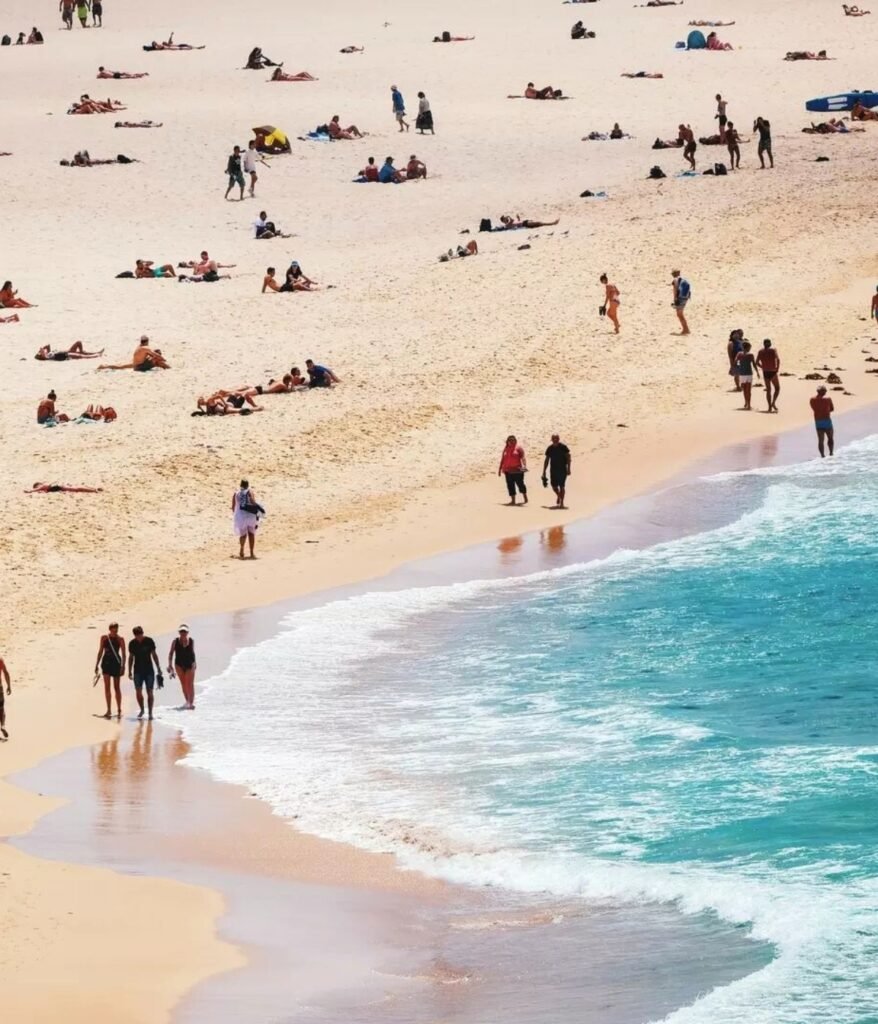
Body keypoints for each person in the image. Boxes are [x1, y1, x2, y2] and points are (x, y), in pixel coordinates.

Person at [128, 626, 161, 720]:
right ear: (134, 635)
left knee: (149, 691)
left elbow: (154, 655)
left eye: (140, 634)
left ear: (143, 633)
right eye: (137, 635)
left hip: (149, 670)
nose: (139, 636)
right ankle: (142, 709)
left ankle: (150, 713)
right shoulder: (132, 643)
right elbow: (131, 657)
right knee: (138, 691)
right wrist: (129, 671)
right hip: (137, 670)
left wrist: (158, 667)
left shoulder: (149, 641)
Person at [94, 622, 125, 719]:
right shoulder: (104, 638)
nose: (115, 630)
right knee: (107, 687)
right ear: (110, 629)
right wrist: (96, 664)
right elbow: (100, 651)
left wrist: (123, 666)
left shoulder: (120, 639)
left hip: (116, 663)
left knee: (117, 687)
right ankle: (109, 710)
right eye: (114, 628)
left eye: (116, 628)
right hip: (106, 662)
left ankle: (119, 709)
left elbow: (124, 654)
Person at [98, 335, 170, 371]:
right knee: (157, 360)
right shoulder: (146, 348)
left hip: (135, 364)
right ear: (147, 341)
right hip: (139, 367)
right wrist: (163, 359)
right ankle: (168, 368)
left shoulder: (139, 346)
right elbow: (157, 355)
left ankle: (104, 366)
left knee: (120, 366)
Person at [167, 625, 196, 709]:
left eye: (185, 631)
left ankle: (191, 703)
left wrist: (195, 663)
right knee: (183, 684)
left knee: (189, 684)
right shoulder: (175, 641)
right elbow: (171, 653)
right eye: (181, 631)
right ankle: (187, 701)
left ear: (187, 632)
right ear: (179, 632)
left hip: (189, 664)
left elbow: (192, 653)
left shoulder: (191, 641)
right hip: (179, 664)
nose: (183, 633)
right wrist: (170, 665)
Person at [232, 480, 261, 559]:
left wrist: (237, 515)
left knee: (243, 534)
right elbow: (253, 501)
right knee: (251, 534)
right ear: (248, 485)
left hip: (241, 516)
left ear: (240, 485)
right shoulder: (249, 491)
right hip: (250, 516)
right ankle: (251, 553)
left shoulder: (236, 493)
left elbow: (233, 507)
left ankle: (241, 550)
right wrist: (258, 509)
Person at [542, 435, 571, 509]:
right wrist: (544, 471)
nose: (555, 440)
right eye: (554, 438)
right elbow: (547, 460)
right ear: (551, 439)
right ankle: (559, 496)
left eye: (556, 438)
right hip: (553, 470)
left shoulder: (563, 447)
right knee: (554, 486)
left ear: (559, 439)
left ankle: (562, 502)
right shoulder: (550, 448)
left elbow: (568, 457)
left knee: (562, 486)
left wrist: (569, 469)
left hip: (562, 469)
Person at [498, 435, 528, 506]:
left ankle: (525, 497)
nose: (511, 441)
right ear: (507, 442)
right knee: (510, 485)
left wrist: (524, 465)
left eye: (513, 440)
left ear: (515, 441)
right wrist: (499, 469)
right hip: (507, 471)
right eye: (510, 440)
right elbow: (503, 460)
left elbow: (523, 457)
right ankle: (513, 500)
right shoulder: (505, 449)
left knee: (520, 484)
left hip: (517, 470)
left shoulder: (518, 448)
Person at [756, 339, 780, 412]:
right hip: (773, 371)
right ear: (770, 344)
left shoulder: (760, 351)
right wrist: (777, 368)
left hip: (765, 372)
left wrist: (762, 367)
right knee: (777, 388)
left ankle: (769, 407)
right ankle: (773, 403)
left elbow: (756, 362)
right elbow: (778, 359)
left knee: (768, 390)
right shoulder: (773, 350)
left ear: (764, 344)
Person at [734, 341, 759, 410]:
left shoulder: (739, 354)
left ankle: (746, 402)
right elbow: (754, 364)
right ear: (748, 347)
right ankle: (749, 405)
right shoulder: (750, 355)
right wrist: (757, 372)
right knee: (749, 390)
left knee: (744, 390)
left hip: (742, 374)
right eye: (750, 347)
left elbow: (735, 361)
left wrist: (740, 366)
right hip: (749, 373)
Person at [810, 386, 835, 456]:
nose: (826, 392)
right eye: (825, 391)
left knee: (820, 440)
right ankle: (831, 453)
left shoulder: (812, 399)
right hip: (827, 420)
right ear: (823, 392)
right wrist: (825, 410)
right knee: (830, 438)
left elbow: (813, 408)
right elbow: (832, 409)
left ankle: (822, 456)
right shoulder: (828, 399)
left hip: (818, 422)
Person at [36, 341, 103, 361]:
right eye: (41, 353)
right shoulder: (47, 357)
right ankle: (97, 355)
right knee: (81, 356)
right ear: (42, 356)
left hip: (68, 351)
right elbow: (42, 349)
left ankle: (97, 353)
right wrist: (40, 351)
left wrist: (40, 351)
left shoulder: (48, 353)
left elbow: (48, 345)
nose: (42, 352)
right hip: (67, 355)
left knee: (78, 343)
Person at [671, 269, 690, 335]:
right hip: (685, 297)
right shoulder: (683, 279)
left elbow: (675, 289)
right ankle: (686, 329)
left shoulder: (675, 280)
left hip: (680, 298)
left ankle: (686, 329)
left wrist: (675, 298)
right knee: (680, 314)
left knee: (679, 314)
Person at [26, 482, 103, 493]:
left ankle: (94, 490)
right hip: (61, 487)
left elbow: (37, 489)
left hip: (61, 487)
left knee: (78, 489)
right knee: (78, 488)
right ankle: (94, 489)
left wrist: (29, 491)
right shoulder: (44, 487)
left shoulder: (43, 486)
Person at [0, 654, 10, 739]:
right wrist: (9, 686)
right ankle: (2, 726)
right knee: (1, 709)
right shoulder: (0, 660)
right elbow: (6, 673)